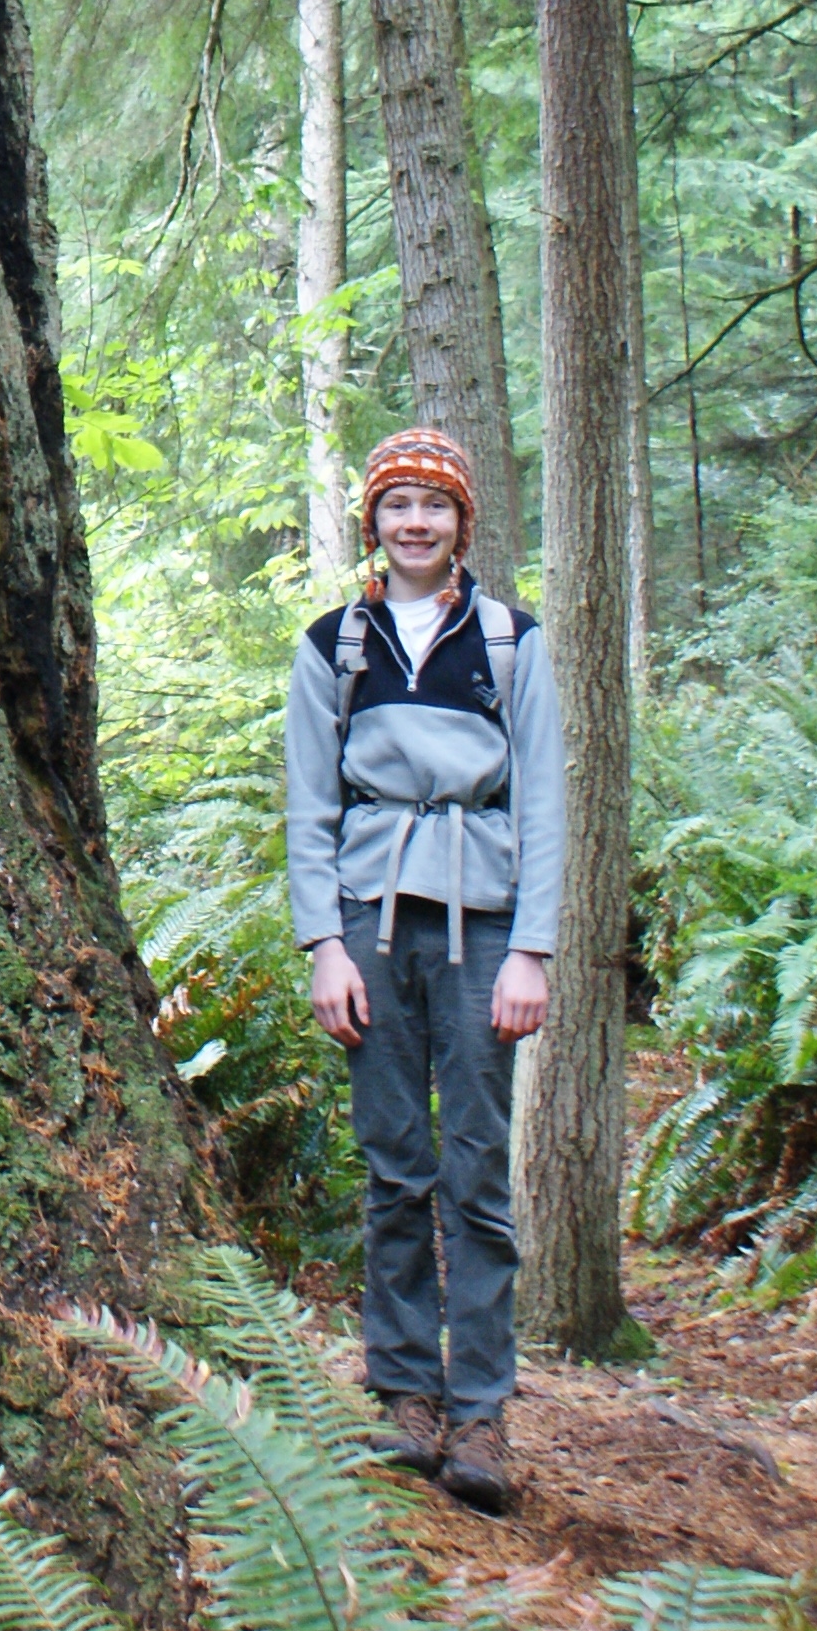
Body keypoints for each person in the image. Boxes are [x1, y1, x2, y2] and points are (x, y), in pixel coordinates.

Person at [284, 429, 565, 1515]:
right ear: (372, 521)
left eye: (434, 507)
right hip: (371, 920)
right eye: (397, 504)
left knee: (476, 1170)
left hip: (483, 924)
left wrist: (531, 947)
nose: (415, 523)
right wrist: (324, 943)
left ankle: (482, 1406)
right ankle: (404, 1388)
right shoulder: (333, 646)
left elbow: (541, 801)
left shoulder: (507, 641)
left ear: (463, 524)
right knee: (394, 1161)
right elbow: (311, 806)